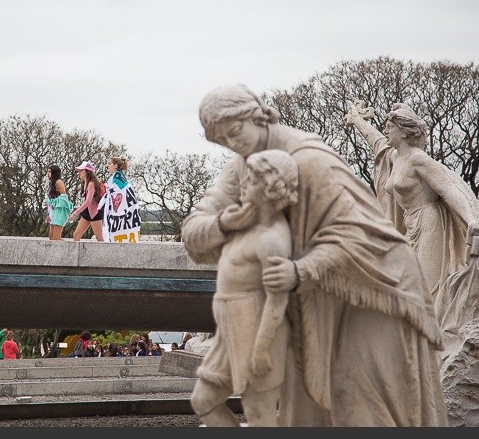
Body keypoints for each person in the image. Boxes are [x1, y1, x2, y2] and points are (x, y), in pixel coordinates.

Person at [181, 83, 447, 426]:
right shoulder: (245, 166)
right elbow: (193, 232)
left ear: (257, 115)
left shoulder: (310, 162)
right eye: (223, 141)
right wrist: (224, 221)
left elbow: (355, 237)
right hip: (316, 296)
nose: (233, 145)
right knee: (310, 410)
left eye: (235, 132)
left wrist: (299, 271)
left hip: (375, 290)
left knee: (361, 402)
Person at [345, 101, 479, 350]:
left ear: (404, 131)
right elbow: (377, 143)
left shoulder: (419, 160)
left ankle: (432, 347)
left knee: (425, 288)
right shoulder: (395, 156)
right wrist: (358, 121)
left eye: (389, 126)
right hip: (409, 227)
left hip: (430, 225)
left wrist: (472, 222)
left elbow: (448, 190)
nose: (386, 130)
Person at [189, 148, 297, 427]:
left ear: (270, 187)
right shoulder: (243, 224)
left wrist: (261, 348)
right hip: (230, 329)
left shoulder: (273, 239)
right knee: (203, 400)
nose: (243, 184)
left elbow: (277, 300)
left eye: (251, 180)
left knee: (258, 411)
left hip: (257, 327)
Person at [100, 156, 141, 242]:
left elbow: (119, 193)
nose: (107, 166)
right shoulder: (117, 177)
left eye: (109, 164)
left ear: (115, 166)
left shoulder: (117, 177)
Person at [68, 161, 104, 242]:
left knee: (99, 238)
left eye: (81, 171)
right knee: (76, 235)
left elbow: (88, 201)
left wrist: (75, 214)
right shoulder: (85, 183)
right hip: (87, 212)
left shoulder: (91, 184)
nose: (79, 173)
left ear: (87, 172)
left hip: (95, 213)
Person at [44, 164, 72, 241]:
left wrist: (50, 202)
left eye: (49, 172)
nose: (47, 174)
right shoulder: (51, 183)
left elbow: (64, 198)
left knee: (56, 238)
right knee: (51, 236)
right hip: (54, 211)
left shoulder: (58, 182)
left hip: (60, 211)